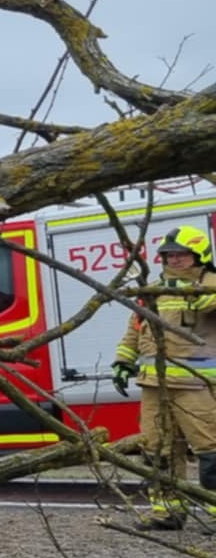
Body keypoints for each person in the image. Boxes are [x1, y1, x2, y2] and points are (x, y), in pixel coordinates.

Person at [112, 226, 216, 529]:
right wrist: (123, 361)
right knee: (158, 450)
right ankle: (167, 512)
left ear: (199, 256)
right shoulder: (154, 289)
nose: (174, 259)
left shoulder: (209, 285)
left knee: (211, 450)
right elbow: (135, 329)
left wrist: (197, 294)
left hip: (197, 387)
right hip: (153, 386)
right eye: (169, 254)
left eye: (181, 254)